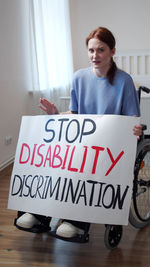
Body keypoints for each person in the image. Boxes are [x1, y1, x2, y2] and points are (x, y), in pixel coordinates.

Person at [15, 26, 142, 241]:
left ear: (112, 51)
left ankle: (75, 221)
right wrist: (56, 114)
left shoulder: (124, 81)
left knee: (85, 167)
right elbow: (74, 113)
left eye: (100, 50)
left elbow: (132, 119)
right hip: (81, 141)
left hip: (107, 147)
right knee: (55, 160)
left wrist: (136, 129)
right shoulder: (79, 77)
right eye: (91, 50)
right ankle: (38, 212)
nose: (95, 56)